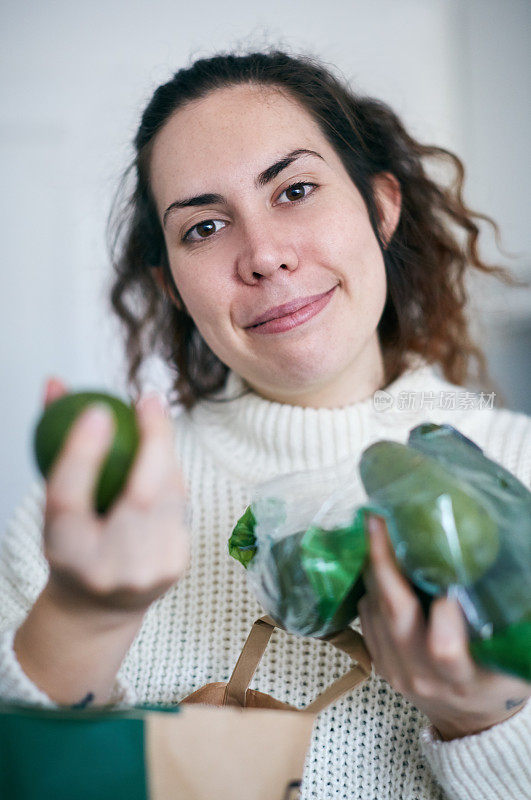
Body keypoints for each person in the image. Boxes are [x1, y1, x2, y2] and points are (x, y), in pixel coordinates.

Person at [1, 47, 530, 800]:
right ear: (171, 287)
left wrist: (486, 718)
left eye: (295, 189)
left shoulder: (522, 472)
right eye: (205, 227)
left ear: (380, 205)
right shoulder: (76, 528)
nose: (264, 255)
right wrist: (85, 619)